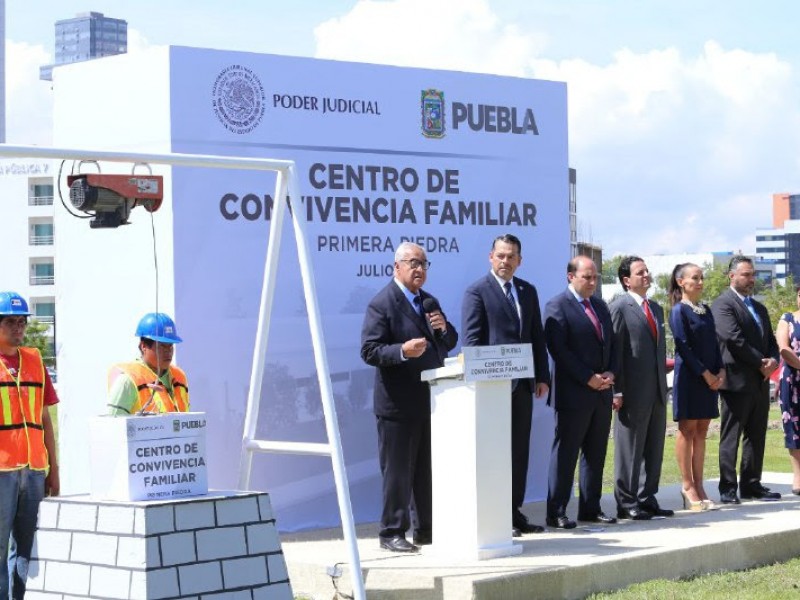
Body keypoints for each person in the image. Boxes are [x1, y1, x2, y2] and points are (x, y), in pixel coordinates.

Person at [360, 242, 458, 552]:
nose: (419, 269)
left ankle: (426, 529)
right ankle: (391, 532)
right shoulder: (382, 304)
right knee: (398, 472)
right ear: (397, 267)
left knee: (426, 471)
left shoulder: (429, 302)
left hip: (430, 401)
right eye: (413, 263)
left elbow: (451, 340)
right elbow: (369, 351)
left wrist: (442, 330)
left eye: (424, 264)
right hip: (397, 405)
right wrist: (402, 351)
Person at [461, 234, 551, 536]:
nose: (505, 261)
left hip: (523, 388)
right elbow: (472, 342)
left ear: (519, 260)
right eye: (500, 255)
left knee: (519, 453)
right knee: (495, 454)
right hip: (492, 391)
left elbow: (536, 336)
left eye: (511, 256)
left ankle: (514, 511)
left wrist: (542, 376)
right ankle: (496, 517)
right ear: (490, 257)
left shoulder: (527, 291)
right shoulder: (477, 292)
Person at [543, 256, 618, 529]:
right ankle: (557, 511)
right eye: (586, 277)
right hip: (574, 394)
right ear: (570, 277)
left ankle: (591, 507)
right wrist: (588, 378)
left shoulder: (599, 306)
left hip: (601, 393)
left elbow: (611, 344)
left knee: (595, 453)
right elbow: (559, 351)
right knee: (566, 455)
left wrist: (612, 373)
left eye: (595, 277)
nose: (592, 281)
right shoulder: (557, 306)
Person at [0, 291, 60, 598]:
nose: (18, 328)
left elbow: (45, 419)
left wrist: (54, 470)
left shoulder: (35, 361)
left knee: (27, 550)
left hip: (34, 470)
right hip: (2, 471)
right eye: (10, 322)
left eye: (22, 322)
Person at [711, 255, 780, 503]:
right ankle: (728, 487)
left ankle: (751, 484)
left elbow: (771, 341)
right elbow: (734, 339)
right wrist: (761, 363)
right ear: (732, 276)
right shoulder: (723, 304)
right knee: (731, 436)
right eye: (746, 275)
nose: (751, 279)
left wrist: (773, 360)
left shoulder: (759, 308)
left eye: (753, 275)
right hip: (736, 381)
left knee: (756, 435)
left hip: (760, 382)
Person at [609, 256, 673, 520]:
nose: (646, 275)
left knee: (654, 448)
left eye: (647, 271)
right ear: (627, 280)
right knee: (630, 449)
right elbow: (615, 353)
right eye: (640, 272)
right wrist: (617, 390)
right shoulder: (619, 307)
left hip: (657, 390)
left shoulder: (656, 309)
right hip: (632, 392)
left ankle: (647, 497)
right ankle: (626, 501)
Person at [667, 263, 724, 511]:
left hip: (710, 378)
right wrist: (705, 374)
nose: (700, 282)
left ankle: (700, 485)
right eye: (695, 278)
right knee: (687, 430)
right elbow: (683, 346)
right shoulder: (679, 311)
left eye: (702, 278)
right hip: (690, 378)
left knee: (702, 430)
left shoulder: (706, 310)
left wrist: (720, 370)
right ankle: (687, 485)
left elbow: (715, 343)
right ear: (681, 282)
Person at [107, 312, 189, 415]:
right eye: (162, 346)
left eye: (170, 346)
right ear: (143, 346)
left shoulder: (179, 377)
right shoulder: (128, 381)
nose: (168, 351)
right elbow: (114, 425)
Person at [773, 285, 800, 495]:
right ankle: (798, 476)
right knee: (794, 428)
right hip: (793, 380)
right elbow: (783, 348)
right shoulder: (787, 318)